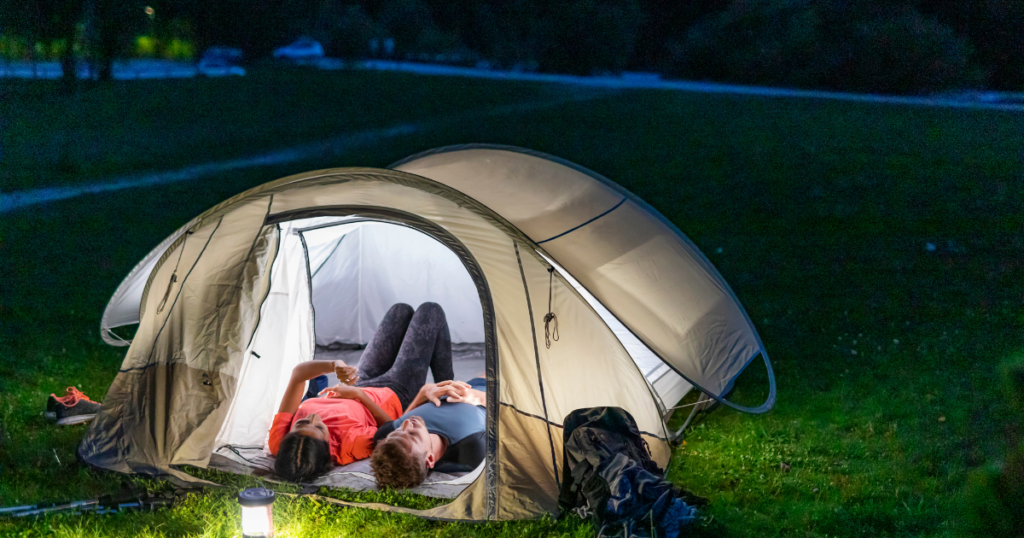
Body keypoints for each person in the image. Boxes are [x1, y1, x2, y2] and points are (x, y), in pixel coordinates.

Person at [269, 302, 454, 482]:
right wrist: (360, 396)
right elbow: (392, 428)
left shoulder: (281, 442)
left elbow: (298, 375)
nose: (314, 418)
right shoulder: (349, 445)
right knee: (430, 311)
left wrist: (334, 365)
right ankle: (450, 392)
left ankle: (447, 390)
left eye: (301, 423)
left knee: (401, 311)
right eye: (319, 428)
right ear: (328, 448)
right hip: (395, 393)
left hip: (360, 381)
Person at [370, 377, 487, 489]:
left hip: (467, 384)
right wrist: (481, 398)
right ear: (430, 459)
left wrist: (426, 391)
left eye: (398, 430)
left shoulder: (386, 439)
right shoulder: (474, 448)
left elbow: (412, 408)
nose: (406, 423)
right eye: (412, 435)